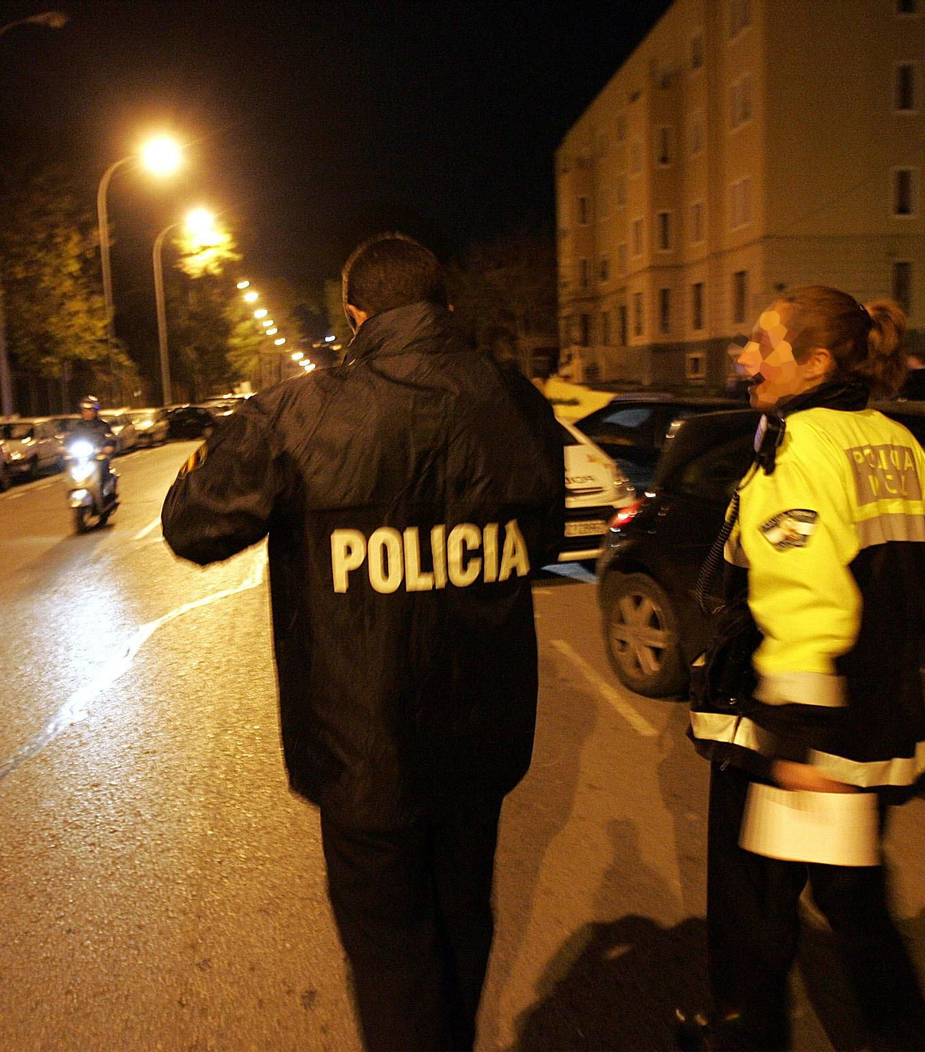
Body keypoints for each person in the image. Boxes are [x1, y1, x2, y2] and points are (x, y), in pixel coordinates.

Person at [161, 234, 565, 1051]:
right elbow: (548, 537)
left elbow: (192, 526)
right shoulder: (517, 402)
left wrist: (206, 456)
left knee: (390, 955)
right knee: (462, 924)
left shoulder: (298, 414)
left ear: (354, 316)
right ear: (445, 305)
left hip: (361, 750)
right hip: (478, 741)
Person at [681, 286, 925, 1051]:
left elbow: (806, 599)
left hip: (797, 737)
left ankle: (741, 1038)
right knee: (854, 906)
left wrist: (794, 743)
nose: (744, 358)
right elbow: (905, 588)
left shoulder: (800, 450)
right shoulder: (894, 442)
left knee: (751, 911)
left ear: (817, 361)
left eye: (763, 344)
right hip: (875, 721)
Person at [69, 396, 118, 502]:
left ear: (95, 411)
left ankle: (106, 493)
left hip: (97, 457)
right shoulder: (77, 426)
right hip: (82, 458)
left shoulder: (103, 426)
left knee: (103, 467)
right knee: (70, 466)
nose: (87, 413)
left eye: (90, 410)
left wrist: (108, 446)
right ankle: (74, 488)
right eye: (85, 410)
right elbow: (70, 439)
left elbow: (111, 438)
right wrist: (63, 448)